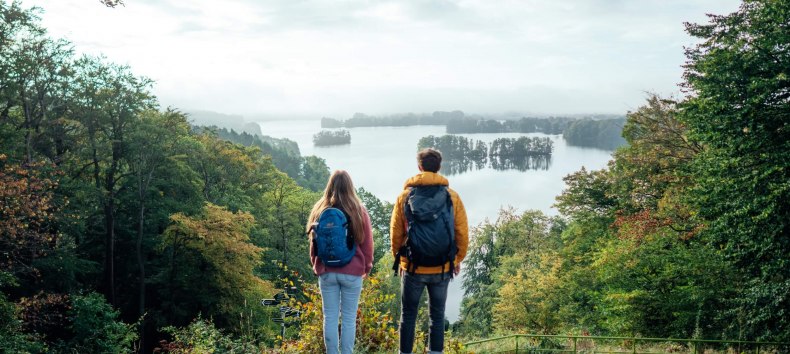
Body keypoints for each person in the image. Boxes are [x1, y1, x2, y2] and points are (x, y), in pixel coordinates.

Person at [390, 148, 469, 354]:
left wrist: (401, 260)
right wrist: (457, 259)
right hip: (442, 267)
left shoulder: (405, 196)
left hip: (414, 268)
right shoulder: (452, 196)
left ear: (419, 167)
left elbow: (396, 234)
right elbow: (461, 232)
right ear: (439, 167)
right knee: (437, 315)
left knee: (408, 315)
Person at [307, 170, 374, 354]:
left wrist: (315, 263)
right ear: (350, 186)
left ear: (330, 185)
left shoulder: (320, 209)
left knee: (329, 316)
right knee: (349, 318)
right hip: (352, 271)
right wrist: (367, 265)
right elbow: (367, 243)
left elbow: (314, 241)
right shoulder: (358, 209)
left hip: (327, 270)